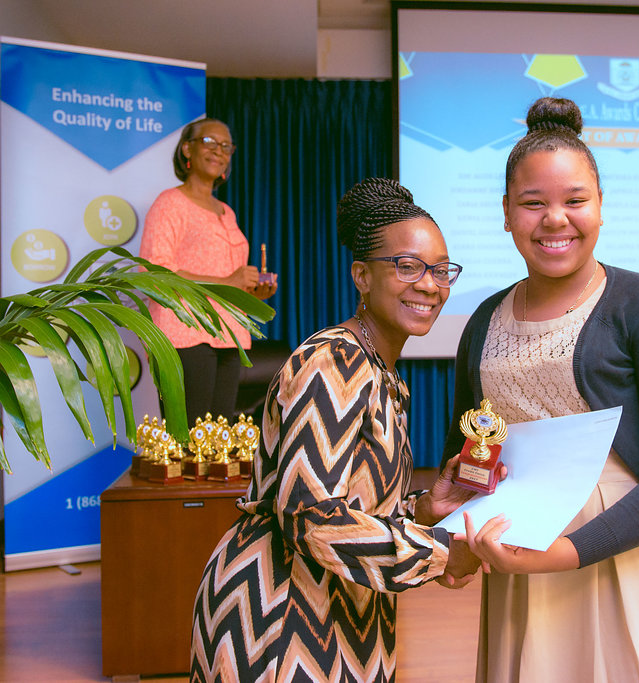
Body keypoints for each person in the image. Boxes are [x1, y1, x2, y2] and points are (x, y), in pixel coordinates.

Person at [444, 97, 639, 682]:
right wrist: (460, 539)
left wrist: (568, 553)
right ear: (506, 212)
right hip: (522, 559)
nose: (555, 219)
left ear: (601, 206)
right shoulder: (483, 320)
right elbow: (475, 448)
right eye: (533, 203)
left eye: (575, 201)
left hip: (634, 553)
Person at [190, 177, 484, 682]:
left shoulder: (381, 371)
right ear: (361, 276)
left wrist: (423, 509)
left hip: (343, 607)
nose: (430, 285)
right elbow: (310, 515)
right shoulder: (336, 361)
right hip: (281, 615)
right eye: (408, 266)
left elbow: (351, 504)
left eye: (441, 270)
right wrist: (439, 553)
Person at [139, 117, 277, 423]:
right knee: (190, 438)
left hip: (228, 334)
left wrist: (252, 293)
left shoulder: (227, 212)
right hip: (184, 332)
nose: (219, 151)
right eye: (210, 142)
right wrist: (227, 281)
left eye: (226, 146)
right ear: (187, 149)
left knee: (218, 438)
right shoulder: (170, 203)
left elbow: (230, 282)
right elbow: (155, 272)